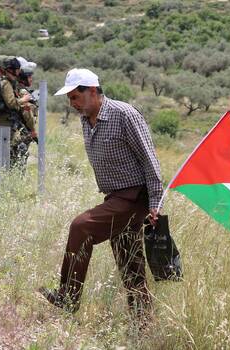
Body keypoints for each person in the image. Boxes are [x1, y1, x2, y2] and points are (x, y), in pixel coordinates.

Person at [40, 68, 163, 322]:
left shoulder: (124, 114)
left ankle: (68, 297)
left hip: (134, 197)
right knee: (130, 263)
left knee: (81, 227)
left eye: (75, 97)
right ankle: (142, 324)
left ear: (93, 91)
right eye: (70, 99)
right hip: (115, 197)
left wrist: (155, 202)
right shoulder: (86, 118)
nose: (72, 104)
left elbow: (149, 158)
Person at [0, 57, 32, 167]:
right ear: (12, 70)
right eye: (17, 69)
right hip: (6, 123)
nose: (19, 72)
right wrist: (24, 100)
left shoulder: (7, 83)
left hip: (6, 123)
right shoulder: (6, 84)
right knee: (14, 150)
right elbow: (11, 103)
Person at [13, 60, 39, 168]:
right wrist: (33, 131)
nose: (31, 79)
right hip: (22, 131)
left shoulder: (16, 88)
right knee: (20, 160)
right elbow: (27, 112)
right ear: (23, 78)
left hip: (18, 130)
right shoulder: (23, 92)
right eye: (29, 77)